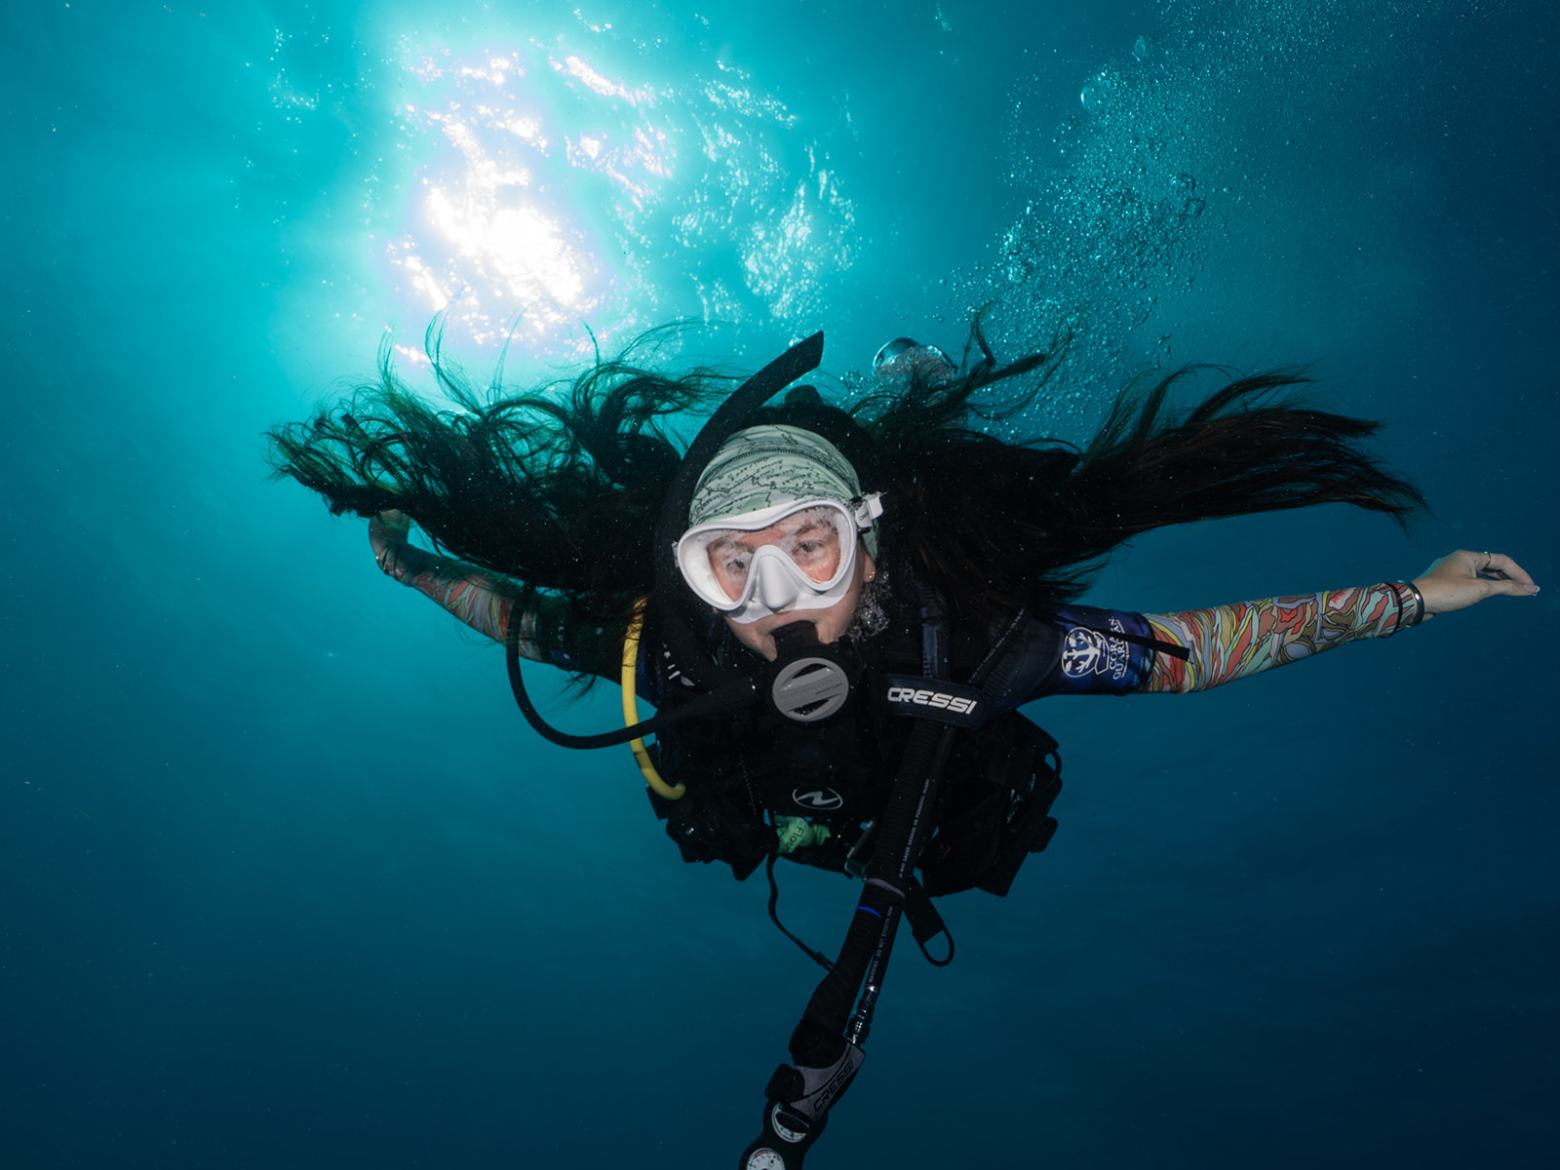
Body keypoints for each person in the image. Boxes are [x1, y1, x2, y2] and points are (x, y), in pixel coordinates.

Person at [269, 323, 1537, 1168]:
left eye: (808, 546)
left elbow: (1191, 648)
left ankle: (920, 404)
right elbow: (521, 614)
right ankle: (907, 405)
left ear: (864, 541)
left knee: (946, 470)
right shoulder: (668, 647)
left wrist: (1420, 595)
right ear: (691, 577)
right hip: (820, 830)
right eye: (732, 563)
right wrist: (411, 564)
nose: (775, 597)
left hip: (927, 801)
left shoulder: (978, 642)